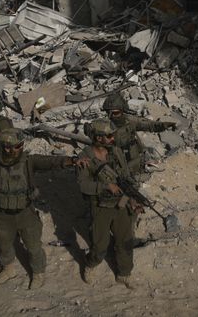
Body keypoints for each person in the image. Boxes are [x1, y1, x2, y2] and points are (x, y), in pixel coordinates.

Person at [0, 128, 82, 289]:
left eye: (18, 146)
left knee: (33, 247)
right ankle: (8, 269)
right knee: (4, 246)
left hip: (26, 214)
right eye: (9, 147)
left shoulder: (28, 162)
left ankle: (38, 273)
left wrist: (72, 161)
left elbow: (51, 162)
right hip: (4, 216)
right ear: (2, 147)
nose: (13, 150)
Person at [78, 118, 138, 289]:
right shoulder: (85, 157)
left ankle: (124, 274)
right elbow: (83, 185)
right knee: (100, 244)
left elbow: (126, 177)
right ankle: (90, 265)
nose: (113, 138)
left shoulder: (116, 152)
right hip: (100, 206)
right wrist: (105, 186)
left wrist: (133, 200)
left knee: (125, 240)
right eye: (109, 136)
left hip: (121, 203)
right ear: (98, 138)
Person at [102, 93, 176, 176]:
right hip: (119, 166)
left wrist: (164, 125)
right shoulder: (104, 127)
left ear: (123, 111)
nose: (111, 116)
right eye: (108, 113)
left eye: (115, 113)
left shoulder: (130, 121)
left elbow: (149, 125)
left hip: (135, 158)